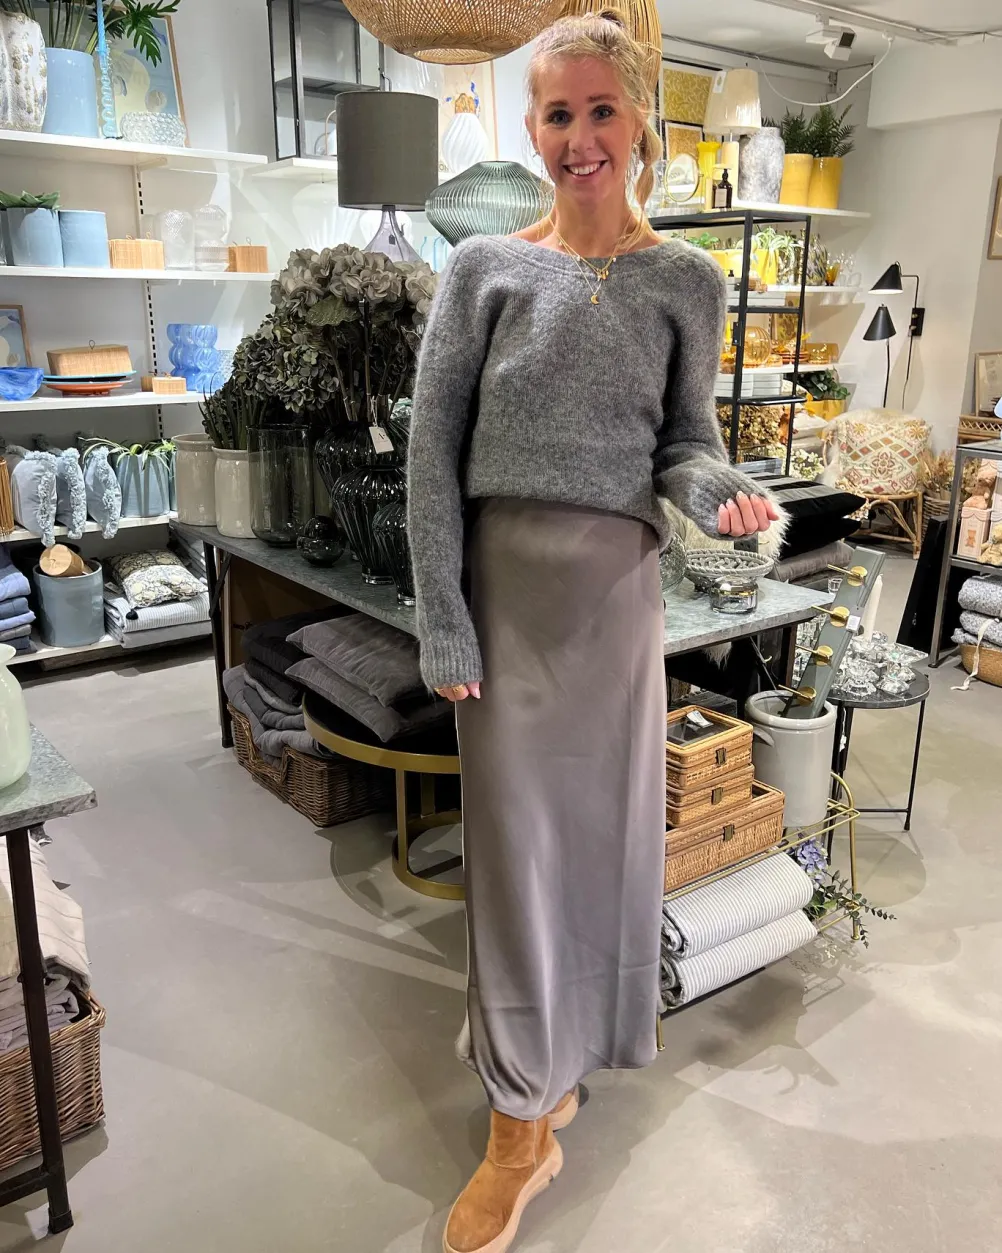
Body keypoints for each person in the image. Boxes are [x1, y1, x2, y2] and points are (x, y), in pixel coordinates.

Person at [407, 12, 779, 1253]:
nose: (579, 137)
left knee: (600, 851)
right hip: (505, 609)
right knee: (515, 862)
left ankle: (561, 1066)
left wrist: (719, 495)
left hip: (618, 606)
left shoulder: (688, 281)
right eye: (557, 114)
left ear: (640, 123)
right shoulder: (483, 272)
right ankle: (519, 1122)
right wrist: (445, 617)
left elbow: (684, 442)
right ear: (532, 128)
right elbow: (430, 459)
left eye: (599, 111)